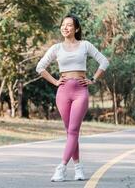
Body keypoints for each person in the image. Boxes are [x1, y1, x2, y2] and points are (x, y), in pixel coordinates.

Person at [36, 14, 109, 182]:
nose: (65, 27)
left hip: (80, 92)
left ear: (76, 29)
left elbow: (104, 62)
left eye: (69, 25)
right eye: (63, 25)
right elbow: (40, 67)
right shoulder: (56, 48)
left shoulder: (85, 45)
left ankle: (61, 168)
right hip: (63, 92)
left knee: (73, 130)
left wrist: (93, 79)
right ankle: (78, 168)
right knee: (70, 132)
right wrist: (55, 81)